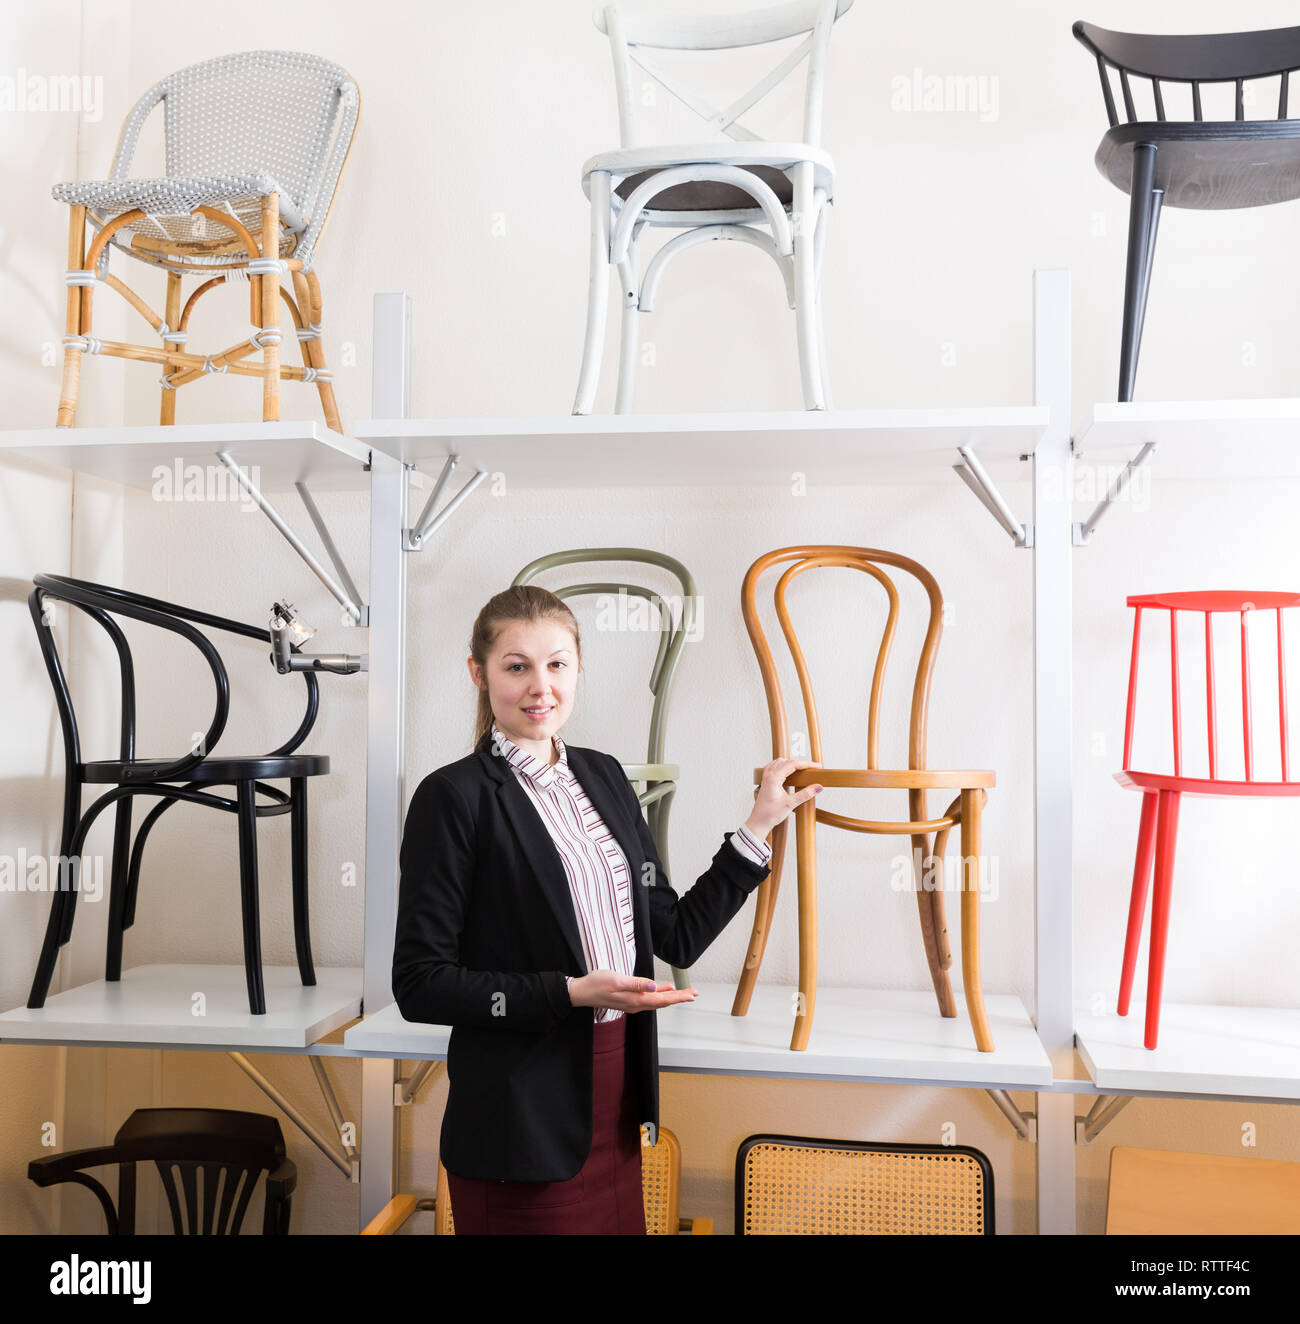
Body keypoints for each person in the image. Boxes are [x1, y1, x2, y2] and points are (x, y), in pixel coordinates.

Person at [392, 584, 822, 1234]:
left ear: (578, 669)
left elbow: (674, 934)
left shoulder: (604, 777)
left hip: (615, 1096)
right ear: (479, 673)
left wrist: (757, 827)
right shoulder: (454, 797)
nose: (541, 686)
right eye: (517, 666)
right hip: (520, 1122)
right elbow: (422, 985)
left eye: (557, 664)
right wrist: (568, 993)